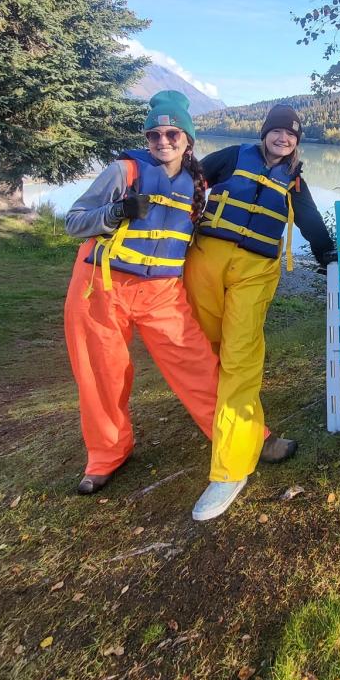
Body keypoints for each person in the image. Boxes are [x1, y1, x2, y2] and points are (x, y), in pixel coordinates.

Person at [185, 104, 337, 521]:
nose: (283, 139)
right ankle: (237, 427)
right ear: (265, 133)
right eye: (277, 132)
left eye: (291, 135)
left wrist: (328, 255)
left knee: (241, 357)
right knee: (207, 349)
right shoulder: (233, 156)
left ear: (296, 141)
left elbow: (309, 221)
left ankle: (230, 468)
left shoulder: (295, 181)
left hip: (256, 271)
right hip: (206, 260)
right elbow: (189, 179)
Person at [64, 91, 219, 494]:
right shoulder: (124, 171)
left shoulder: (199, 183)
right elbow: (74, 221)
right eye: (154, 135)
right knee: (103, 374)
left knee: (199, 366)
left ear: (188, 139)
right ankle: (107, 454)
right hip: (101, 287)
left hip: (163, 292)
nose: (162, 141)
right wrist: (115, 214)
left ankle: (244, 436)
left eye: (172, 133)